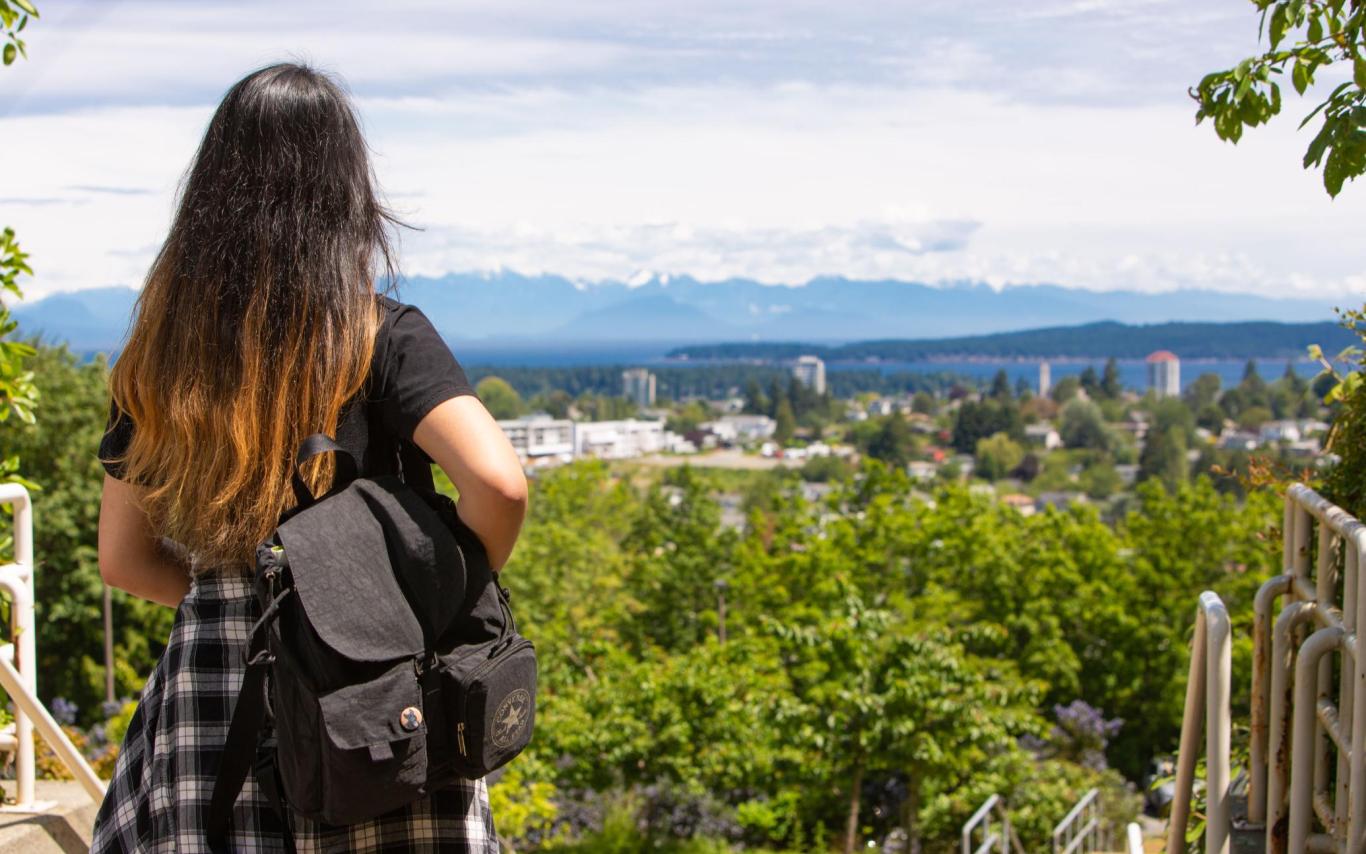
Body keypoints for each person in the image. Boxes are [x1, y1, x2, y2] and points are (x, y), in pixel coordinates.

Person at [90, 63, 528, 853]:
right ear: (347, 195)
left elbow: (123, 561)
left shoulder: (158, 355)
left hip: (214, 695)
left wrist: (239, 597)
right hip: (372, 690)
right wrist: (428, 599)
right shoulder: (380, 335)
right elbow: (498, 484)